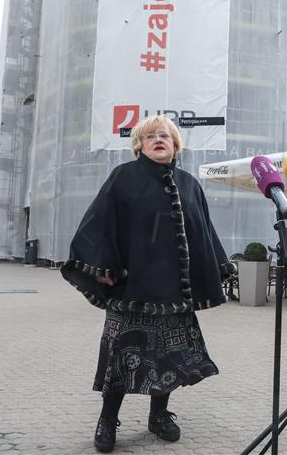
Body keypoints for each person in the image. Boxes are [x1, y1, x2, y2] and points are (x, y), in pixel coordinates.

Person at [60, 115, 233, 452]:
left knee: (168, 358)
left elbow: (203, 233)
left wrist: (216, 269)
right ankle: (108, 419)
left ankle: (159, 415)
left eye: (165, 136)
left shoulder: (189, 184)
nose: (159, 139)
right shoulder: (123, 178)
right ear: (138, 144)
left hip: (174, 292)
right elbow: (100, 222)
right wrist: (101, 267)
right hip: (132, 288)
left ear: (175, 145)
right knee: (118, 358)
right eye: (150, 136)